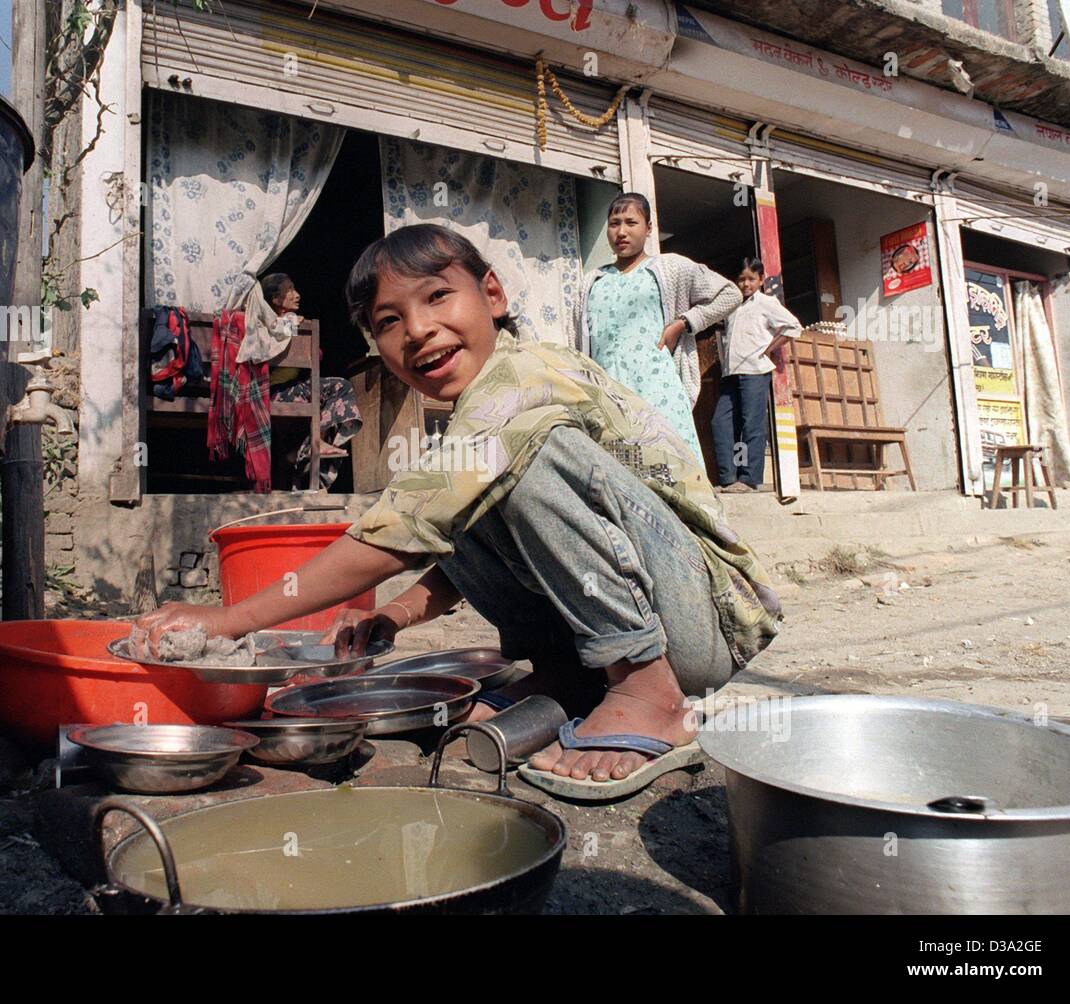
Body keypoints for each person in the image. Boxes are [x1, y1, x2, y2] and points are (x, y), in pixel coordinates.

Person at [135, 225, 782, 799]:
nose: (417, 329)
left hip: (709, 617)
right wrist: (397, 613)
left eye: (437, 296)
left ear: (493, 296)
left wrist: (229, 619)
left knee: (522, 458)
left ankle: (646, 689)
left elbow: (395, 532)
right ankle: (573, 679)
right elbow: (446, 533)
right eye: (388, 322)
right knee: (464, 491)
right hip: (662, 615)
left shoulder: (525, 377)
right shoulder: (475, 425)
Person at [579, 192, 741, 457]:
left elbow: (730, 294)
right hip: (609, 393)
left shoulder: (670, 267)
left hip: (657, 390)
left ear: (649, 228)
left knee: (671, 467)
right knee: (620, 473)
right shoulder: (591, 281)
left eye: (631, 223)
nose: (621, 231)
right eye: (614, 223)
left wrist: (684, 323)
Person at [260, 273, 362, 488]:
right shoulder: (264, 323)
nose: (297, 295)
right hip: (272, 392)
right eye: (289, 291)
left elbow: (315, 356)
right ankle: (312, 444)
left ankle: (309, 446)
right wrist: (291, 326)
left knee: (334, 389)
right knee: (339, 387)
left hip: (291, 390)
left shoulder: (297, 323)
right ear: (275, 299)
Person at [711, 258, 801, 493]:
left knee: (751, 426)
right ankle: (729, 477)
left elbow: (794, 326)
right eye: (741, 279)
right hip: (731, 373)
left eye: (751, 279)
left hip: (754, 372)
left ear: (761, 280)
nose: (745, 284)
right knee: (721, 422)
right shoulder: (733, 306)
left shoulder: (766, 303)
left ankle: (749, 479)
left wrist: (768, 348)